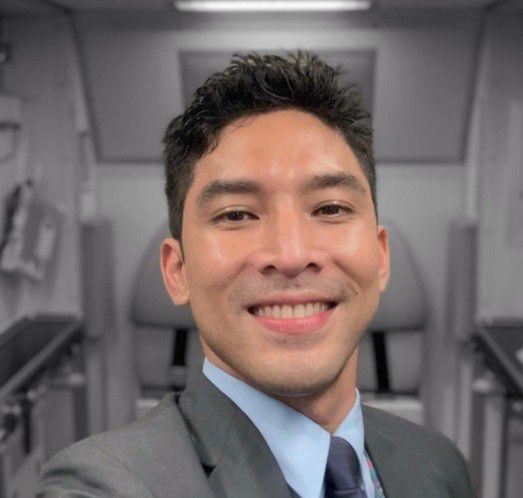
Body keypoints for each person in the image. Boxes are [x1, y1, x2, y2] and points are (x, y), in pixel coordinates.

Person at [37, 51, 475, 498]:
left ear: (380, 258)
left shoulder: (439, 466)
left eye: (330, 208)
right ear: (177, 271)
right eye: (236, 215)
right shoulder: (103, 483)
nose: (291, 255)